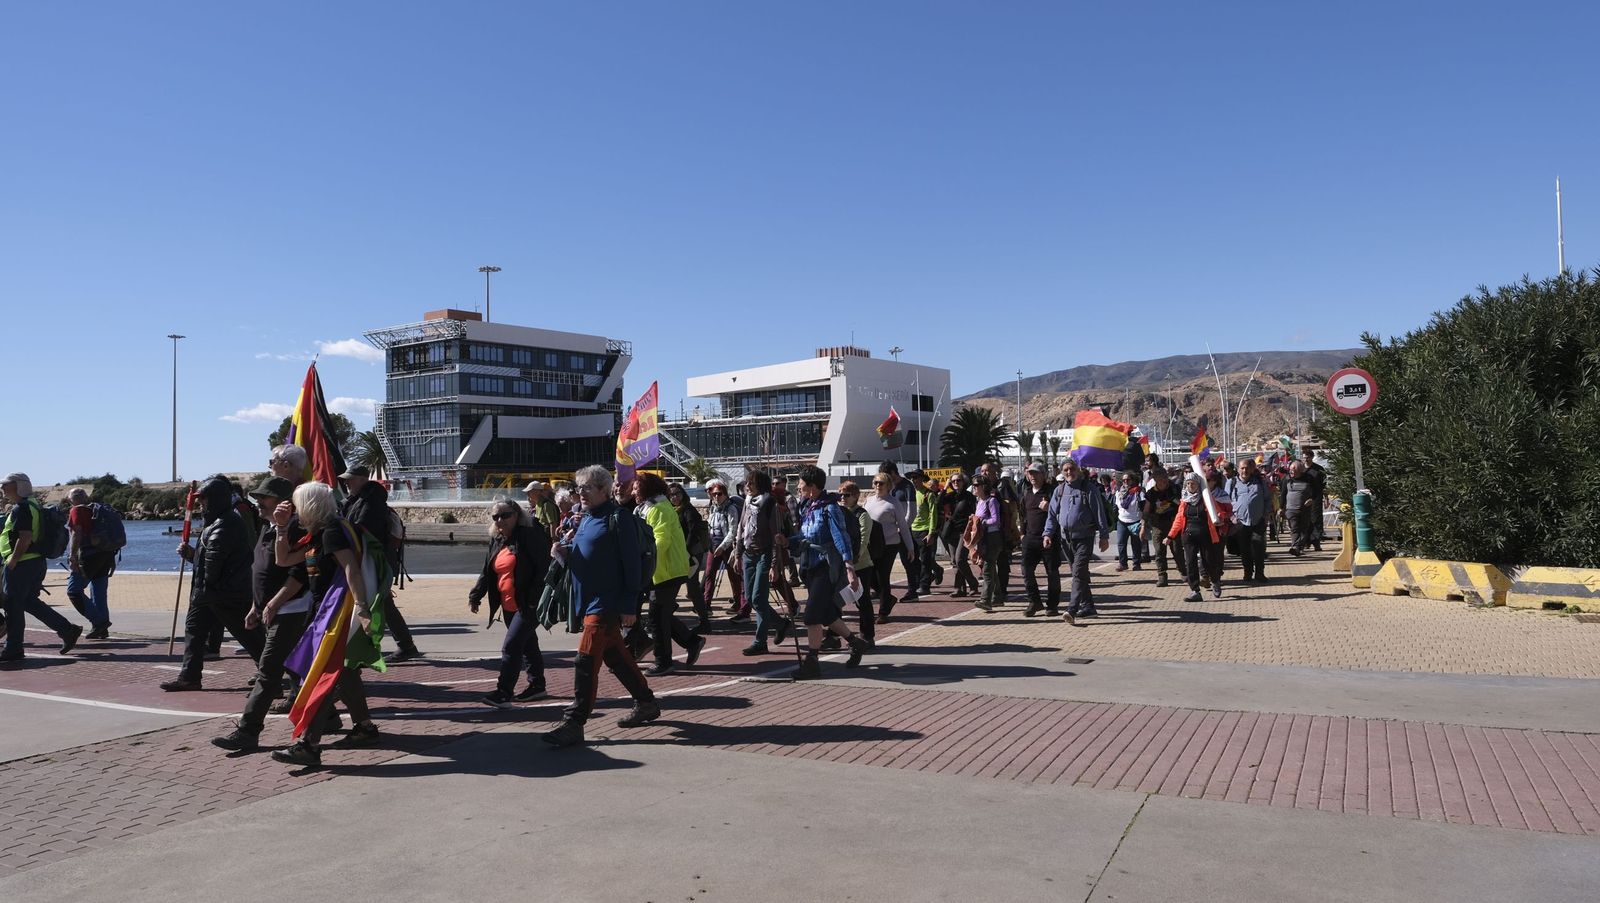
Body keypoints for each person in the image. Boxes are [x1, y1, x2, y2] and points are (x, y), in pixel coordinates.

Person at [542, 465, 660, 748]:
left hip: (606, 603)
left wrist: (630, 604)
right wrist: (563, 553)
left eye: (587, 487)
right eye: (578, 487)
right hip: (591, 601)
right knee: (616, 657)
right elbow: (588, 555)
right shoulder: (587, 519)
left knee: (585, 660)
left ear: (604, 491)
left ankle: (575, 722)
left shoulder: (620, 519)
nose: (580, 492)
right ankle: (646, 703)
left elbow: (632, 564)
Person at [269, 482, 383, 766]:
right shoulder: (316, 537)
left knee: (322, 677)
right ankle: (365, 727)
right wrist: (280, 527)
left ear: (309, 506)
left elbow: (350, 569)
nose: (294, 511)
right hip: (324, 613)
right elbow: (284, 561)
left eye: (296, 505)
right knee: (344, 673)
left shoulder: (332, 531)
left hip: (337, 616)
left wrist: (361, 607)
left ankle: (308, 744)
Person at [212, 476, 312, 751]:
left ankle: (248, 730)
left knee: (268, 672)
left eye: (264, 498)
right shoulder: (269, 528)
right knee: (294, 667)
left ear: (283, 502)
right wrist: (256, 607)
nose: (258, 502)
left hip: (290, 610)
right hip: (274, 611)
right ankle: (327, 718)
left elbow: (298, 575)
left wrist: (273, 603)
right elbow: (264, 572)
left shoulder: (293, 529)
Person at [161, 476, 265, 691]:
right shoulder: (219, 522)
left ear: (215, 500)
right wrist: (192, 555)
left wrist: (204, 587)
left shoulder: (224, 524)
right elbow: (208, 559)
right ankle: (189, 676)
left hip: (222, 593)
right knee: (195, 632)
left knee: (247, 634)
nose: (200, 505)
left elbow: (213, 565)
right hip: (214, 592)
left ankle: (270, 673)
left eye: (204, 500)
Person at [788, 466, 870, 679]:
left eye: (801, 483)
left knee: (812, 614)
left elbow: (841, 538)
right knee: (826, 613)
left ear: (813, 486)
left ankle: (812, 661)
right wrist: (787, 541)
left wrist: (850, 569)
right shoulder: (809, 507)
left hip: (826, 567)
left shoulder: (829, 508)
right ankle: (856, 643)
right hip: (810, 567)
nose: (798, 487)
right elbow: (806, 537)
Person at [469, 498, 551, 707]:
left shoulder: (529, 536)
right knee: (527, 644)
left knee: (512, 645)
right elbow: (488, 570)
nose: (500, 520)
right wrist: (476, 595)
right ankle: (537, 686)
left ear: (517, 515)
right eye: (496, 516)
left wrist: (534, 599)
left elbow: (544, 568)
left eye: (505, 515)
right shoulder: (497, 539)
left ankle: (504, 691)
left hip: (528, 604)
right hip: (508, 605)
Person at [340, 465, 419, 663]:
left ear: (362, 479)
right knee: (382, 601)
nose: (347, 483)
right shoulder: (360, 500)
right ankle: (404, 645)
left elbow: (363, 529)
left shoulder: (371, 501)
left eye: (350, 479)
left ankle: (402, 645)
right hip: (372, 559)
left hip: (374, 560)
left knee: (381, 601)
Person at [1, 473, 83, 662]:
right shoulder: (32, 505)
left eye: (6, 484)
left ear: (18, 486)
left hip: (21, 564)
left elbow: (25, 536)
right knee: (29, 602)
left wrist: (12, 560)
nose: (2, 488)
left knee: (13, 606)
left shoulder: (21, 508)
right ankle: (67, 630)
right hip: (35, 562)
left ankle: (13, 649)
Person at [633, 471, 704, 675]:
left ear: (646, 489)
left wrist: (644, 559)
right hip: (659, 571)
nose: (634, 491)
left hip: (667, 570)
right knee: (661, 614)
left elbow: (660, 541)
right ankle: (692, 642)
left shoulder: (659, 508)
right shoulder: (646, 508)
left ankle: (663, 661)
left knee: (656, 616)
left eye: (637, 487)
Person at [730, 470, 793, 655]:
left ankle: (760, 641)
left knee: (758, 597)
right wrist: (738, 554)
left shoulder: (769, 503)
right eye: (747, 483)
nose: (747, 487)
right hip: (748, 555)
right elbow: (741, 529)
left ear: (761, 485)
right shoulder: (748, 502)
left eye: (751, 483)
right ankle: (780, 623)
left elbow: (775, 536)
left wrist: (774, 564)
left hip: (764, 555)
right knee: (750, 597)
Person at [1043, 460, 1110, 625]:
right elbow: (1052, 514)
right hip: (1066, 539)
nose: (1068, 472)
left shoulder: (1089, 489)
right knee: (1078, 573)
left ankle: (1071, 610)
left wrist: (1104, 536)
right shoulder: (1060, 490)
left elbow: (1099, 513)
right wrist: (1048, 534)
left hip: (1084, 538)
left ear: (1078, 470)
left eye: (1071, 469)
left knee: (1078, 573)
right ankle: (1088, 606)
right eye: (1065, 469)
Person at [863, 469, 915, 623]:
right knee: (870, 577)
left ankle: (883, 612)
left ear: (888, 485)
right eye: (876, 482)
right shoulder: (868, 500)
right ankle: (888, 598)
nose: (878, 485)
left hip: (889, 544)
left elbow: (903, 527)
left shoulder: (894, 503)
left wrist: (910, 547)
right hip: (871, 544)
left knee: (882, 576)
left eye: (881, 483)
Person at [65, 487, 115, 639]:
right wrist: (111, 560)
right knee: (99, 593)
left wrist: (73, 556)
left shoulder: (76, 511)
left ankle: (99, 623)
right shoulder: (96, 511)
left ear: (72, 499)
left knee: (73, 591)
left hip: (88, 557)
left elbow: (77, 533)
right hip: (105, 555)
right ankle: (101, 629)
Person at [1167, 474, 1224, 602]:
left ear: (1198, 485)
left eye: (1193, 483)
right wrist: (1170, 535)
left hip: (1205, 535)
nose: (1190, 486)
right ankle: (1195, 591)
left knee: (1209, 561)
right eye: (1188, 483)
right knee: (1190, 563)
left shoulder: (1207, 499)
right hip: (1188, 536)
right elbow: (1178, 520)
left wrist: (1220, 518)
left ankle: (1215, 581)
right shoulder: (1184, 502)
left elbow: (1218, 512)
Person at [667, 483, 713, 631]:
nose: (674, 497)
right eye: (671, 494)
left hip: (691, 554)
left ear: (683, 495)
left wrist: (684, 552)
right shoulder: (671, 510)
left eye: (677, 493)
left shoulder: (689, 511)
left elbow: (692, 534)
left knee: (692, 588)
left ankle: (704, 622)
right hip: (679, 553)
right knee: (674, 586)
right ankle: (667, 614)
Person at [1018, 462, 1061, 617]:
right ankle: (1034, 601)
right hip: (1030, 539)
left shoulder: (1052, 492)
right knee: (1026, 570)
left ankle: (1052, 605)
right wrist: (1022, 534)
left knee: (1052, 573)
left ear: (1044, 475)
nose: (1033, 476)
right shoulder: (1027, 493)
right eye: (1030, 473)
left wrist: (1049, 507)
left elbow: (1062, 513)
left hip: (1049, 539)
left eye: (1036, 473)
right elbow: (1022, 515)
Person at [838, 481, 878, 643]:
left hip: (860, 565)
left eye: (846, 495)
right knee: (836, 601)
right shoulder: (838, 513)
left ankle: (868, 636)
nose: (842, 498)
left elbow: (863, 538)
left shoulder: (862, 514)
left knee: (863, 601)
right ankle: (833, 636)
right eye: (840, 494)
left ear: (855, 496)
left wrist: (853, 558)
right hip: (842, 564)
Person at [701, 478, 744, 617]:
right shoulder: (713, 507)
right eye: (714, 494)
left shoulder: (731, 508)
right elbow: (711, 526)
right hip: (713, 546)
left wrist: (723, 546)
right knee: (709, 574)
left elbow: (733, 530)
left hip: (727, 547)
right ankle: (706, 605)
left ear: (725, 494)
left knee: (734, 576)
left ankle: (738, 603)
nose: (716, 497)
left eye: (719, 494)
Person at [878, 461, 921, 600]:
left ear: (892, 473)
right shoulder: (888, 487)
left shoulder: (907, 486)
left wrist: (902, 527)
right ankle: (880, 589)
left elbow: (912, 511)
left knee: (907, 561)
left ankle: (912, 590)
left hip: (902, 530)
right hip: (888, 532)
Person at [1231, 458, 1270, 582]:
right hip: (1241, 522)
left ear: (1252, 469)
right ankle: (1248, 572)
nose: (1245, 470)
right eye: (1242, 468)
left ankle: (1260, 573)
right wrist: (1232, 517)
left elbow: (1267, 499)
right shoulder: (1232, 483)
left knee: (1259, 548)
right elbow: (1226, 502)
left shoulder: (1259, 482)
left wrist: (1266, 515)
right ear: (1238, 469)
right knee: (1245, 549)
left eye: (1247, 468)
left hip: (1258, 520)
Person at [969, 477, 1005, 612]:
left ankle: (986, 600)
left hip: (992, 538)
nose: (974, 487)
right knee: (990, 568)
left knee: (988, 570)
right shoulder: (979, 502)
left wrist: (982, 521)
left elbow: (996, 520)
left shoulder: (992, 501)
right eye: (973, 485)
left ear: (984, 486)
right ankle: (998, 597)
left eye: (977, 485)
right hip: (983, 538)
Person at [940, 473, 979, 596]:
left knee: (960, 559)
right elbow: (937, 504)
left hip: (964, 532)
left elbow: (975, 512)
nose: (956, 483)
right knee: (955, 562)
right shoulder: (949, 496)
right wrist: (945, 488)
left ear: (964, 482)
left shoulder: (969, 497)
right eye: (953, 481)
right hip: (952, 532)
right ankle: (959, 589)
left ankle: (973, 584)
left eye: (958, 480)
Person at [1141, 468, 1181, 587]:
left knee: (1177, 550)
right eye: (1160, 479)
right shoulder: (1151, 494)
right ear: (1155, 480)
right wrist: (1143, 526)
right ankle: (1162, 576)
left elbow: (1182, 505)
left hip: (1173, 524)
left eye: (1165, 478)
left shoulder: (1174, 488)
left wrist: (1173, 498)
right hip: (1157, 525)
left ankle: (1183, 571)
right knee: (1159, 551)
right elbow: (1146, 511)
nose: (1164, 481)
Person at [908, 470, 943, 595]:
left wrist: (931, 533)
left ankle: (924, 586)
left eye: (916, 477)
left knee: (925, 560)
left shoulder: (929, 494)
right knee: (913, 559)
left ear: (922, 479)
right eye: (912, 478)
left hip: (924, 530)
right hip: (912, 530)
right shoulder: (911, 494)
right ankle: (931, 574)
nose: (913, 480)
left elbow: (933, 515)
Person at [1281, 461, 1318, 556]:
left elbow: (1317, 491)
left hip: (1304, 508)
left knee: (1303, 529)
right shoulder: (1287, 479)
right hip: (1291, 509)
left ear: (1301, 470)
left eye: (1295, 470)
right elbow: (1283, 494)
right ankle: (1296, 547)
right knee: (1294, 529)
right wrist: (1281, 508)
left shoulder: (1309, 478)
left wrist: (1312, 499)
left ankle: (1298, 547)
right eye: (1291, 469)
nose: (1292, 471)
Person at [1114, 472, 1143, 572]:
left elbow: (1143, 505)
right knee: (1121, 543)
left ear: (1133, 480)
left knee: (1136, 544)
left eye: (1128, 479)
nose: (1125, 482)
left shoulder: (1138, 491)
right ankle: (1123, 563)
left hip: (1135, 521)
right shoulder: (1119, 492)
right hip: (1122, 520)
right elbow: (1118, 506)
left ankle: (1136, 563)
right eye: (1124, 480)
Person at [1301, 449, 1328, 548]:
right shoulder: (1301, 469)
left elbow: (1324, 485)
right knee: (1305, 520)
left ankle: (1316, 542)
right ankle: (1306, 541)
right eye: (1304, 457)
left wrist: (1326, 498)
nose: (1306, 459)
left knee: (1316, 519)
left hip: (1316, 497)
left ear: (1312, 457)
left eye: (1307, 457)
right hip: (1304, 498)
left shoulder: (1319, 469)